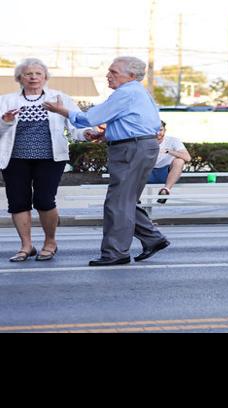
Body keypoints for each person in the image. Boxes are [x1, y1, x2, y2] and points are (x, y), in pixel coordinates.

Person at [43, 56, 168, 266]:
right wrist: (109, 133)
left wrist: (61, 110)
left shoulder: (126, 92)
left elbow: (91, 118)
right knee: (125, 201)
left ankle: (116, 253)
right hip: (139, 146)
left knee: (117, 203)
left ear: (130, 75)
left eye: (114, 71)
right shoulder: (138, 92)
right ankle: (152, 239)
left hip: (131, 149)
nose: (108, 75)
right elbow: (139, 121)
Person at [1, 58, 95, 262]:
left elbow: (75, 124)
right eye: (28, 74)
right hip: (15, 159)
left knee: (44, 200)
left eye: (38, 73)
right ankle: (26, 246)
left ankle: (50, 242)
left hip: (51, 158)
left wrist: (87, 133)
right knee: (18, 203)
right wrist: (5, 122)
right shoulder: (6, 100)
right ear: (20, 78)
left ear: (45, 77)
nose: (33, 77)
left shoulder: (59, 97)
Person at [148, 121, 191, 205]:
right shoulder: (145, 142)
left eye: (160, 130)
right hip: (147, 172)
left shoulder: (173, 141)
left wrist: (168, 151)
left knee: (179, 161)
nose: (158, 133)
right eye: (154, 130)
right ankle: (134, 197)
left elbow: (188, 158)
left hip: (166, 174)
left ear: (165, 130)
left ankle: (165, 190)